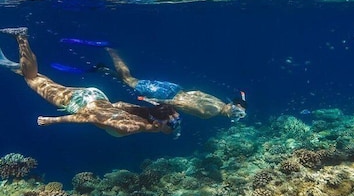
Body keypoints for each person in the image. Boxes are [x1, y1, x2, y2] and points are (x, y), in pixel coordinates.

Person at [0, 27, 181, 137]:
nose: (174, 127)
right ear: (158, 124)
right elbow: (89, 116)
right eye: (172, 124)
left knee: (39, 79)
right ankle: (21, 37)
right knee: (31, 79)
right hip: (82, 103)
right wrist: (53, 120)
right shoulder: (130, 127)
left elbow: (118, 104)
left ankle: (10, 63)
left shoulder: (143, 117)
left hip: (95, 96)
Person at [104, 47, 247, 121]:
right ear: (232, 107)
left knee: (131, 81)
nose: (235, 115)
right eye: (237, 113)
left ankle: (105, 71)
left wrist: (182, 95)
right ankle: (112, 52)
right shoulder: (210, 113)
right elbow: (180, 104)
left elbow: (197, 92)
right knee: (130, 80)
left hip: (176, 88)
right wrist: (155, 100)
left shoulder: (219, 102)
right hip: (165, 95)